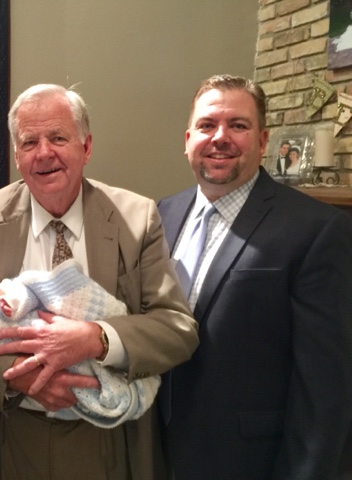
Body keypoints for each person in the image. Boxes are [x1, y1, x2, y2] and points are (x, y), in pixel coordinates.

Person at [0, 83, 199, 480]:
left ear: (86, 147)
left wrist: (96, 338)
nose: (44, 153)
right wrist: (19, 377)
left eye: (58, 138)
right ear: (17, 156)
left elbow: (177, 329)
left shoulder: (136, 218)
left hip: (107, 440)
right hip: (9, 431)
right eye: (29, 142)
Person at [157, 74, 352, 480]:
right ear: (188, 140)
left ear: (263, 141)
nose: (220, 137)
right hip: (156, 452)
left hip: (248, 462)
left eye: (238, 125)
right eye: (207, 125)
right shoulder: (161, 215)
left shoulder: (317, 229)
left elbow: (325, 388)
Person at [0, 259, 161, 428]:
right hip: (20, 421)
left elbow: (24, 291)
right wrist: (17, 372)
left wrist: (96, 337)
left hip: (86, 327)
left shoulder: (4, 292)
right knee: (83, 381)